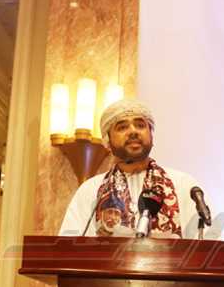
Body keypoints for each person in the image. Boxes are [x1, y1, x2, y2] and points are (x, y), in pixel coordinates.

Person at [60, 100, 206, 239]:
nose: (133, 131)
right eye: (122, 127)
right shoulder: (91, 190)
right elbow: (70, 247)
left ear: (151, 134)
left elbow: (206, 242)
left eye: (140, 125)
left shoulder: (183, 185)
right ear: (107, 141)